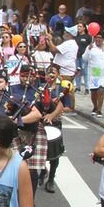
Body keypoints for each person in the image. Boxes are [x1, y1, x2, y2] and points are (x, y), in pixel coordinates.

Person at [35, 64, 72, 195]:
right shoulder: (39, 88)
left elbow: (69, 107)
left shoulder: (62, 89)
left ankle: (51, 179)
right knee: (39, 150)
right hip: (40, 123)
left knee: (54, 153)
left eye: (54, 72)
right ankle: (42, 170)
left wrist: (53, 113)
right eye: (48, 72)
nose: (51, 75)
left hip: (54, 124)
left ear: (58, 74)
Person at [83, 33, 104, 117]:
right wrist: (88, 49)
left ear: (103, 39)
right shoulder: (91, 47)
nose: (98, 39)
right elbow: (84, 59)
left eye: (100, 37)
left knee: (101, 90)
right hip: (94, 72)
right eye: (96, 37)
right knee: (94, 91)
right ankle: (95, 107)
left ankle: (99, 109)